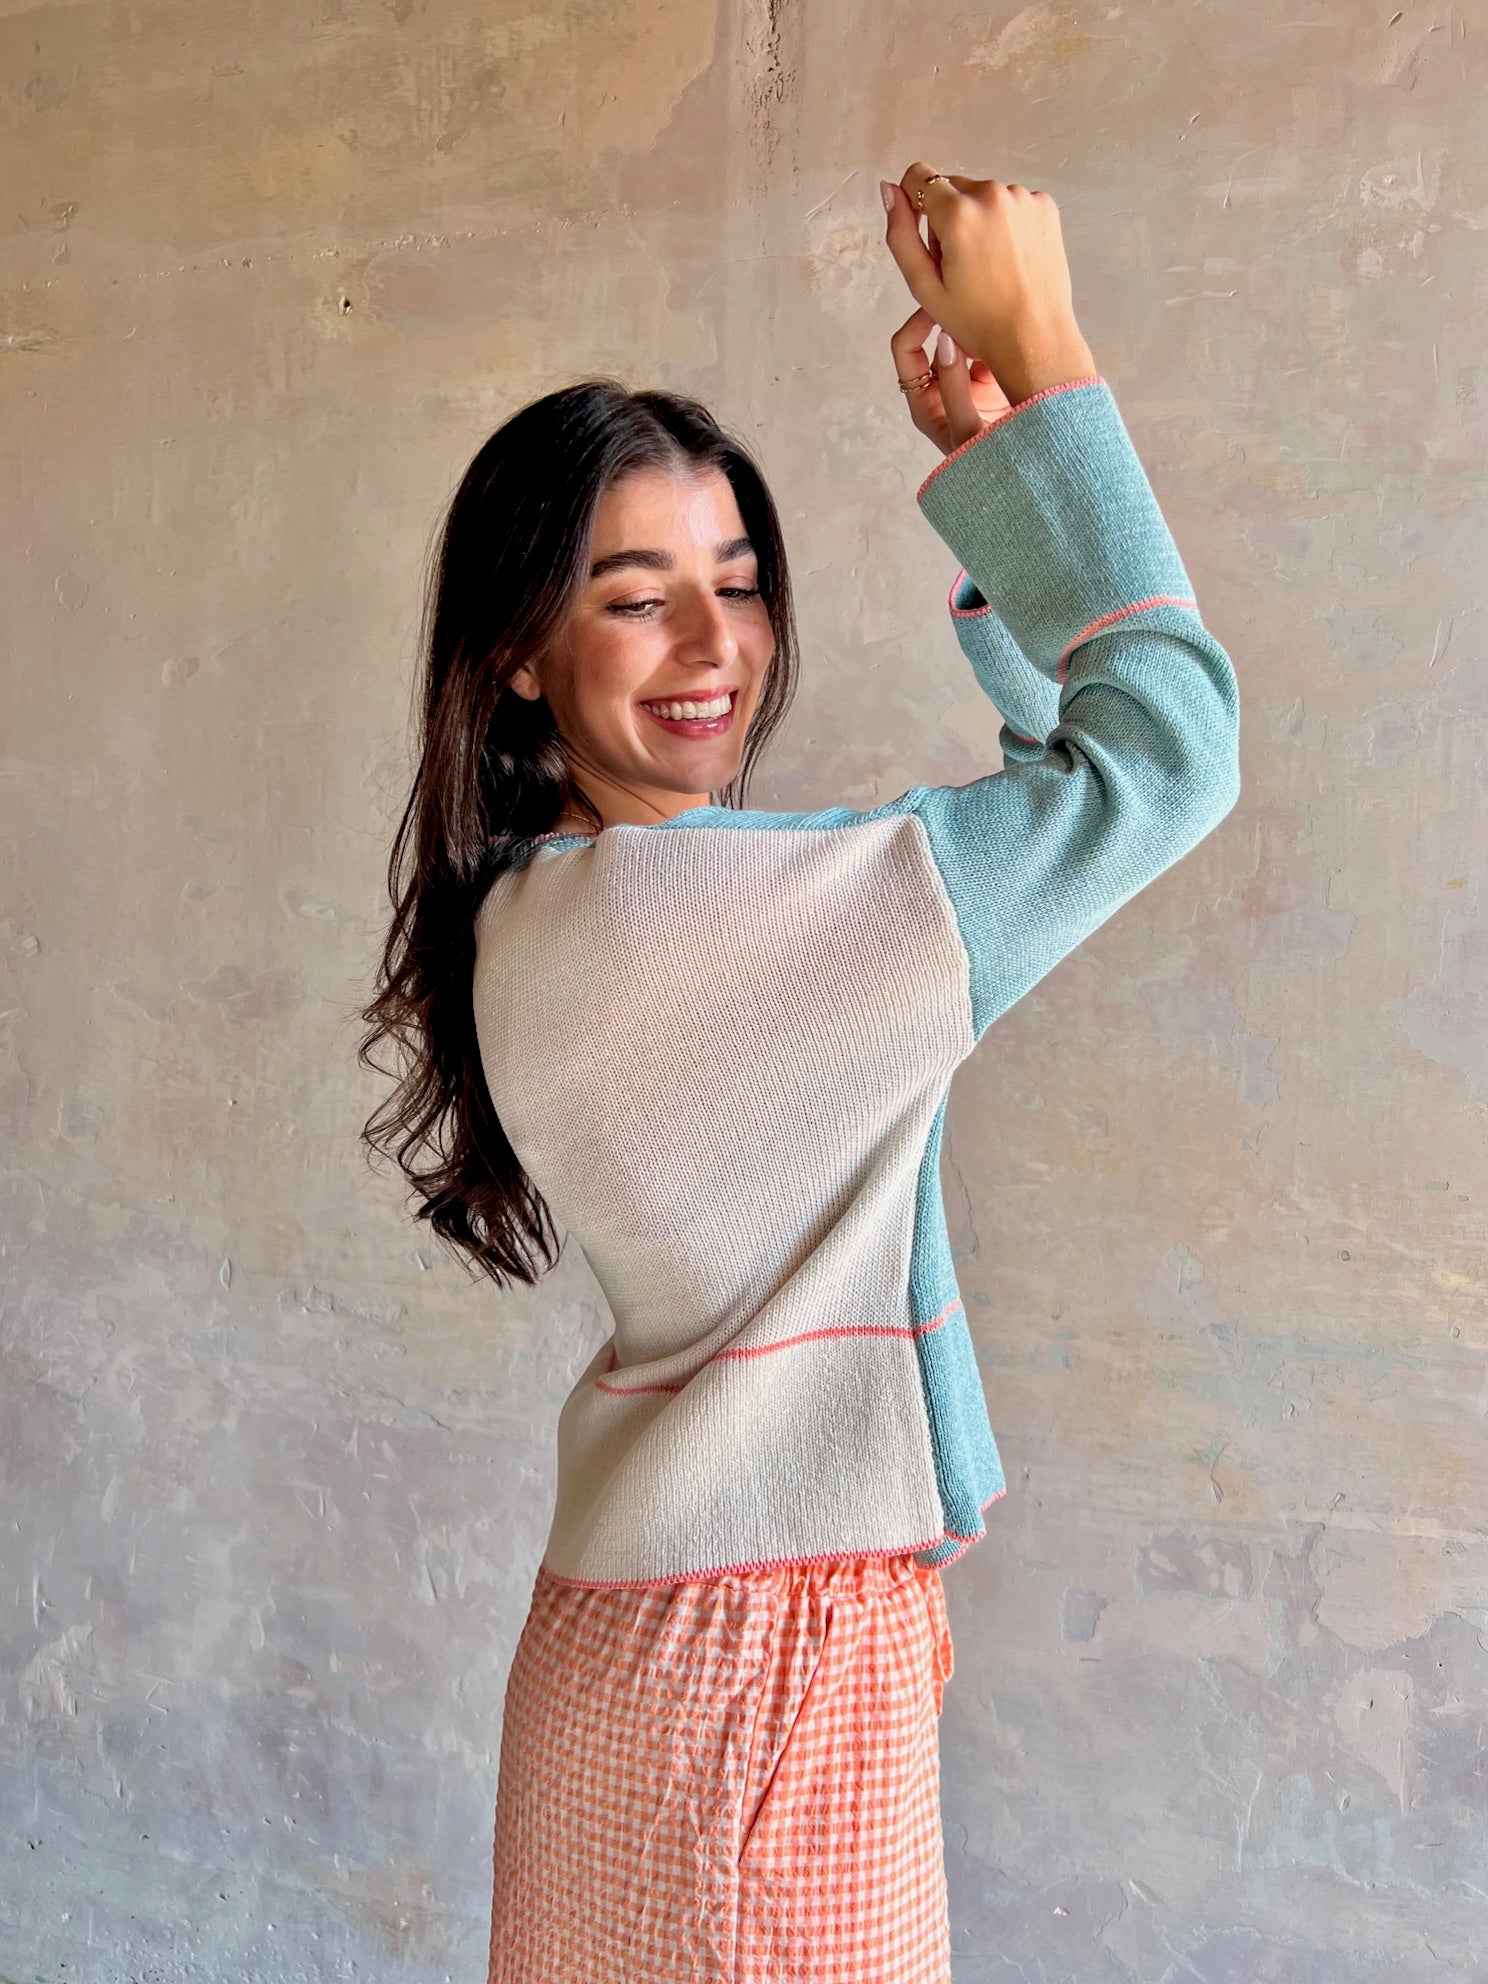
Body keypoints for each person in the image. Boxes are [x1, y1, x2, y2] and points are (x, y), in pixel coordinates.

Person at [359, 160, 1241, 1984]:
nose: (718, 647)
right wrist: (1049, 356)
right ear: (518, 651)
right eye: (636, 599)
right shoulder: (745, 920)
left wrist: (1005, 488)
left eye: (741, 583)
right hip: (766, 1691)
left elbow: (1062, 781)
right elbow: (1164, 752)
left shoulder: (548, 910)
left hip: (646, 1654)